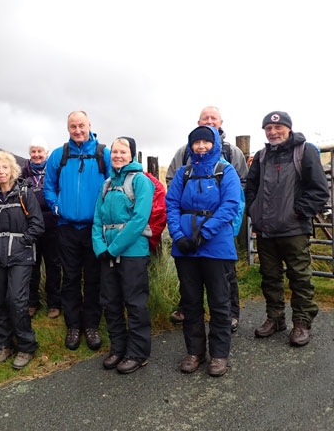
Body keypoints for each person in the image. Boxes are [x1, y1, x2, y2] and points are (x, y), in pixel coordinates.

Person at [246, 111, 329, 346]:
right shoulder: (261, 156)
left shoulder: (305, 151)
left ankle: (302, 323)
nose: (273, 132)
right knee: (269, 277)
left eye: (278, 128)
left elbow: (319, 190)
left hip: (294, 230)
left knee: (300, 278)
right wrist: (255, 212)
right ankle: (275, 318)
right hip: (266, 230)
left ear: (288, 128)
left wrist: (298, 212)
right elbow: (250, 188)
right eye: (268, 129)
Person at [166, 126, 241, 377]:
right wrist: (178, 236)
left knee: (219, 302)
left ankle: (219, 354)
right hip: (185, 248)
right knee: (191, 301)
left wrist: (204, 233)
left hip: (216, 247)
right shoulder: (183, 173)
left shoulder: (225, 171)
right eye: (196, 142)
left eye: (205, 142)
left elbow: (230, 205)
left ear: (214, 145)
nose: (200, 147)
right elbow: (172, 205)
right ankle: (194, 351)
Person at [166, 106, 248, 331]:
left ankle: (230, 314)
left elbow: (240, 191)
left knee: (225, 276)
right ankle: (188, 309)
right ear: (198, 122)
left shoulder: (232, 153)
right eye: (205, 119)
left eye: (213, 118)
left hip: (223, 225)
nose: (209, 121)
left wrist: (230, 226)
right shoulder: (184, 152)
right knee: (191, 277)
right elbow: (172, 181)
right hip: (188, 225)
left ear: (221, 122)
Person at [43, 111, 111, 351]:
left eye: (81, 125)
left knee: (94, 279)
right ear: (68, 128)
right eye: (73, 126)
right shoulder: (59, 155)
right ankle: (73, 326)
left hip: (94, 229)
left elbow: (114, 185)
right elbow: (48, 186)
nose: (77, 130)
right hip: (67, 228)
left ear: (90, 125)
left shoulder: (104, 154)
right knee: (70, 278)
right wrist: (55, 206)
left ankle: (91, 326)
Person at [92, 137, 155, 374]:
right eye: (114, 151)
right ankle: (118, 348)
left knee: (135, 302)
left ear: (132, 155)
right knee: (110, 302)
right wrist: (100, 249)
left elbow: (139, 219)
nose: (117, 155)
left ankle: (137, 353)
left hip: (132, 253)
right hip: (107, 252)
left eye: (123, 152)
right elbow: (97, 219)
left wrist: (113, 248)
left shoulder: (141, 181)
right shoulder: (107, 184)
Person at [0, 150, 44, 369]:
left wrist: (23, 242)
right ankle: (3, 344)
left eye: (5, 167)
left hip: (21, 256)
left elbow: (37, 224)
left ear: (12, 170)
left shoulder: (24, 193)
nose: (1, 171)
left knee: (17, 300)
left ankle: (26, 346)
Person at [20, 136, 62, 319]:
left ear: (47, 153)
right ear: (30, 154)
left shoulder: (54, 171)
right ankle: (32, 302)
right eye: (34, 151)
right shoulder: (22, 173)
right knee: (32, 266)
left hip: (52, 225)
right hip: (30, 225)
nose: (37, 155)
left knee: (53, 265)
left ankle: (54, 303)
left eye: (40, 151)